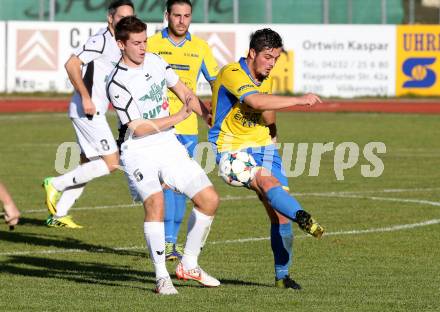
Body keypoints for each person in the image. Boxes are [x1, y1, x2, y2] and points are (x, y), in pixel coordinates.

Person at [107, 15, 220, 295]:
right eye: (136, 43)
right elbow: (139, 127)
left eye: (145, 41)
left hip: (168, 144)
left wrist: (204, 113)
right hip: (139, 150)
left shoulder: (156, 61)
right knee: (155, 203)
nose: (143, 48)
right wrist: (178, 116)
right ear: (121, 44)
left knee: (209, 200)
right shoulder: (117, 82)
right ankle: (161, 277)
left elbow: (182, 90)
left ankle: (189, 265)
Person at [208, 28, 325, 290]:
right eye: (268, 57)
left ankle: (282, 276)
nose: (272, 64)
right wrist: (300, 99)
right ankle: (303, 217)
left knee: (279, 216)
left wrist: (273, 135)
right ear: (252, 53)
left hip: (264, 146)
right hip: (231, 149)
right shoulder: (232, 72)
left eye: (276, 59)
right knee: (266, 181)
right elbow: (257, 102)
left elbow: (268, 111)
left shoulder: (265, 77)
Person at [42, 0, 134, 228]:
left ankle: (58, 214)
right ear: (110, 18)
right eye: (121, 17)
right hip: (88, 111)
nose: (126, 21)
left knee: (88, 164)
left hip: (92, 110)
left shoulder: (121, 43)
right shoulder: (101, 40)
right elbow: (71, 64)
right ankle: (55, 183)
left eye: (130, 17)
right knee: (112, 163)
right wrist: (85, 97)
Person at [146, 0, 219, 261]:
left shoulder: (199, 47)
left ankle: (170, 243)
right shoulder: (151, 43)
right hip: (157, 125)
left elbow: (215, 82)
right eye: (176, 15)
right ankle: (166, 242)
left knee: (180, 187)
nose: (181, 21)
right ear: (167, 15)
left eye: (186, 16)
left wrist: (214, 114)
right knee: (163, 186)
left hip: (187, 127)